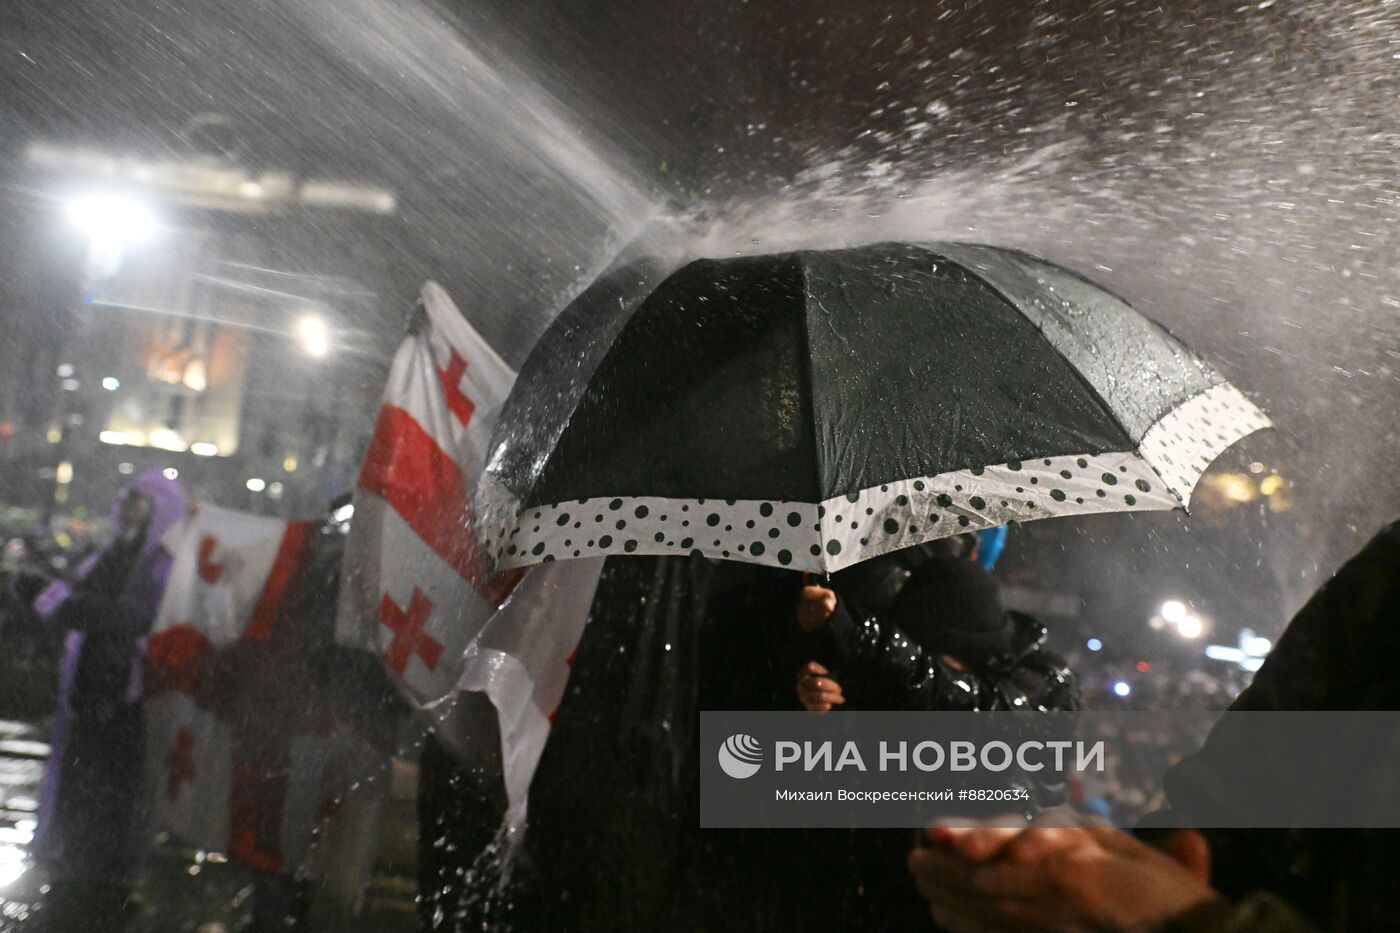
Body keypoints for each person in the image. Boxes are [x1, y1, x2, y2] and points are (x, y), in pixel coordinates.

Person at [905, 519, 1400, 932]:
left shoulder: (1037, 682)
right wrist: (1107, 871)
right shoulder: (1386, 579)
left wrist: (1186, 919)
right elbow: (1223, 807)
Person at [28, 467, 184, 929]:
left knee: (112, 787)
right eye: (129, 497)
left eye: (144, 500)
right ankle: (78, 862)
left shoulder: (159, 564)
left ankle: (105, 872)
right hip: (90, 688)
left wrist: (61, 601)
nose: (131, 506)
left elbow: (132, 616)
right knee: (82, 781)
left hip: (124, 694)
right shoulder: (110, 555)